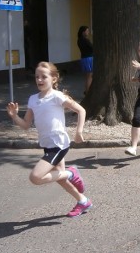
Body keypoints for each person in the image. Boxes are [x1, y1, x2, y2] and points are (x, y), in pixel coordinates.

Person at [6, 61, 91, 218]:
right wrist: (14, 116)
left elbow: (81, 110)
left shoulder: (57, 96)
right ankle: (83, 201)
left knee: (36, 177)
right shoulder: (33, 99)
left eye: (43, 76)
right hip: (47, 144)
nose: (39, 80)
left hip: (59, 144)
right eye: (37, 77)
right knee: (59, 177)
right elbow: (25, 125)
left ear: (54, 78)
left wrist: (78, 132)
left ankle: (71, 173)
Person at [77, 25, 93, 94]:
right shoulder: (86, 40)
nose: (88, 32)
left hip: (84, 58)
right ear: (83, 32)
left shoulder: (79, 40)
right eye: (87, 31)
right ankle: (88, 92)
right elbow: (92, 48)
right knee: (90, 76)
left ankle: (87, 91)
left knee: (87, 76)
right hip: (89, 58)